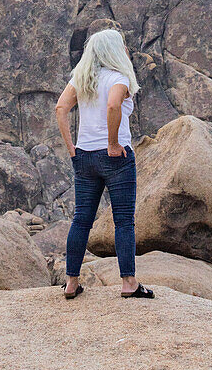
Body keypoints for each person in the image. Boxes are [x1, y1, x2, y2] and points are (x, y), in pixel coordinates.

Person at [55, 27, 154, 301]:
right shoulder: (119, 78)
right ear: (114, 50)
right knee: (123, 221)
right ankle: (129, 283)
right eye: (122, 45)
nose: (125, 49)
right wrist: (112, 143)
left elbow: (60, 108)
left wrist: (71, 148)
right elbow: (113, 106)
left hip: (84, 156)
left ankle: (71, 283)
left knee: (81, 220)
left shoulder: (80, 79)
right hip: (115, 158)